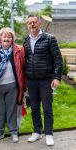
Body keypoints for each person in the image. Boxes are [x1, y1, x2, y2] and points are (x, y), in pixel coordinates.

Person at [23, 14, 63, 146]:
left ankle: (49, 134)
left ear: (39, 23)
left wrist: (56, 77)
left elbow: (57, 59)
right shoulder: (26, 41)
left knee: (47, 108)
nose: (32, 25)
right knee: (34, 107)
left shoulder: (49, 38)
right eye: (30, 23)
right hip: (31, 81)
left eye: (34, 22)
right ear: (27, 25)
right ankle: (37, 132)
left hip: (46, 80)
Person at [0, 27, 26, 143]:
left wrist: (24, 85)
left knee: (12, 110)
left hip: (13, 86)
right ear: (0, 38)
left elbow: (23, 68)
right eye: (4, 36)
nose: (6, 38)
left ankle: (13, 132)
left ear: (12, 39)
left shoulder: (19, 50)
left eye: (9, 36)